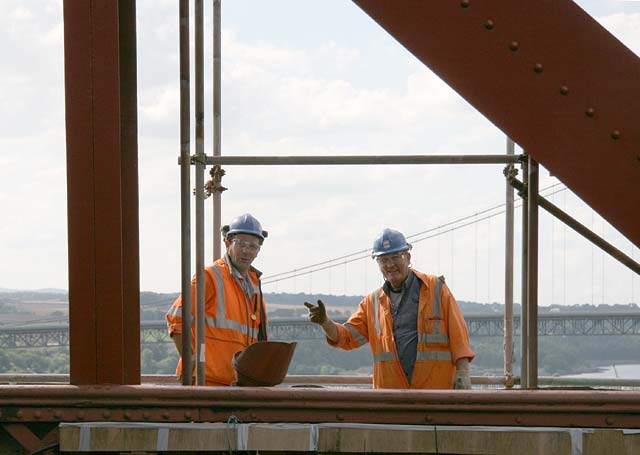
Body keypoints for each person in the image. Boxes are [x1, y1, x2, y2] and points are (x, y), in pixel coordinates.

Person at [305, 228, 474, 389]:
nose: (390, 265)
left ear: (407, 257)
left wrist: (463, 374)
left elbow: (458, 335)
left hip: (435, 393)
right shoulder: (372, 303)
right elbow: (346, 338)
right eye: (384, 260)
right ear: (378, 264)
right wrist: (325, 323)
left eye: (395, 257)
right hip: (392, 397)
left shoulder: (436, 288)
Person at [166, 213, 269, 386]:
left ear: (258, 251)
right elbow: (176, 317)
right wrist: (189, 357)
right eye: (241, 244)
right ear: (228, 242)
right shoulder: (210, 277)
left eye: (253, 246)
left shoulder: (253, 285)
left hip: (237, 384)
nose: (246, 251)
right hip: (207, 382)